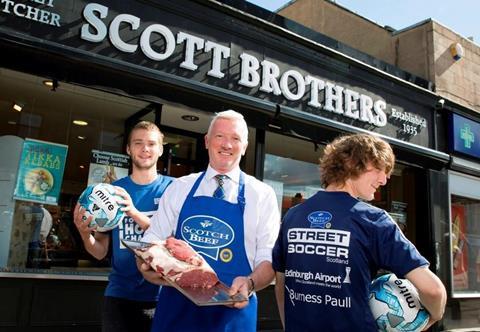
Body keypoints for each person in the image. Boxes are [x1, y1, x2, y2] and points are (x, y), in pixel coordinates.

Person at [272, 133, 447, 331]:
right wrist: (432, 318)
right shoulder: (373, 220)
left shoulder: (293, 216)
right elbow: (433, 290)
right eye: (380, 169)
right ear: (352, 162)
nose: (384, 179)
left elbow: (281, 284)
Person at [139, 110, 280, 331]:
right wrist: (148, 266)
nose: (227, 144)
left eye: (235, 138)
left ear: (244, 147)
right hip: (177, 312)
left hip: (233, 316)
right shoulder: (179, 188)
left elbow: (268, 259)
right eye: (219, 136)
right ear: (206, 141)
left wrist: (250, 283)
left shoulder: (262, 194)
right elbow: (152, 241)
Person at [73, 121, 173, 332]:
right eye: (138, 143)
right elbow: (100, 252)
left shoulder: (174, 190)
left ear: (160, 149)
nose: (145, 149)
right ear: (128, 149)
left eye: (151, 144)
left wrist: (134, 213)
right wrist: (85, 235)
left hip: (163, 295)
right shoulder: (110, 192)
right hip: (120, 295)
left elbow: (174, 243)